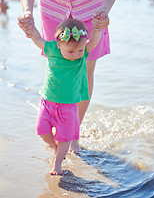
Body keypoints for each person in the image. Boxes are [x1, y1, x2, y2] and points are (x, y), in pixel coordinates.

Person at [17, 0, 123, 153]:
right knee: (58, 68)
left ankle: (73, 132)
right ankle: (57, 123)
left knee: (84, 70)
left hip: (92, 8)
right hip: (53, 7)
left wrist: (104, 10)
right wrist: (27, 11)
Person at [17, 16, 103, 175]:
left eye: (79, 50)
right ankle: (57, 149)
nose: (76, 55)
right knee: (41, 130)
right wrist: (28, 28)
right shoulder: (51, 49)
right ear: (59, 44)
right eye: (70, 51)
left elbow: (93, 42)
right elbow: (36, 38)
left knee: (65, 137)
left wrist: (98, 29)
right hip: (47, 102)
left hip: (68, 107)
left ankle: (57, 163)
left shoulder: (81, 54)